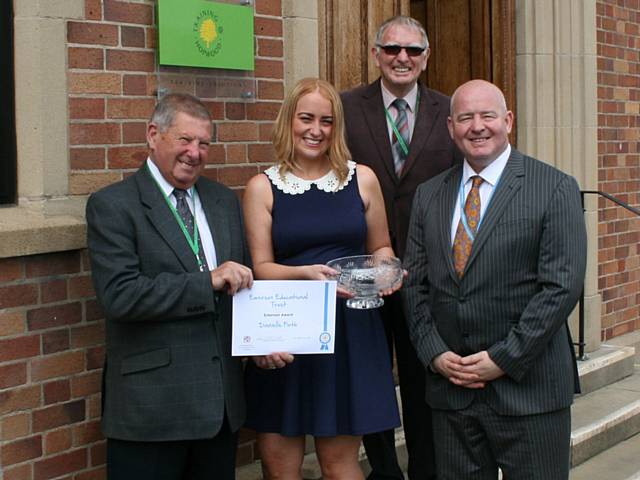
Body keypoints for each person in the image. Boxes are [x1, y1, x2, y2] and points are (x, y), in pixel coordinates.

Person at [403, 79, 587, 479]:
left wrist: (503, 359)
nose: (477, 126)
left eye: (487, 115)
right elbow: (415, 285)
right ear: (451, 127)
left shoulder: (554, 187)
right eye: (465, 117)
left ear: (508, 121)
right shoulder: (429, 195)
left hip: (529, 391)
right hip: (452, 393)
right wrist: (434, 352)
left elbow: (561, 287)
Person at [86, 93, 253, 480]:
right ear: (152, 135)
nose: (195, 153)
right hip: (152, 411)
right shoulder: (114, 206)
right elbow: (120, 296)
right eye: (184, 140)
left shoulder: (223, 201)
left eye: (204, 143)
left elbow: (242, 288)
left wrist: (261, 341)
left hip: (219, 409)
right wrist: (206, 281)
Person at [242, 77, 401, 480]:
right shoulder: (262, 187)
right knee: (280, 466)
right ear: (288, 121)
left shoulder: (361, 178)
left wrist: (384, 272)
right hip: (287, 330)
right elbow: (261, 267)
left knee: (339, 463)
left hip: (350, 331)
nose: (316, 130)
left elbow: (381, 246)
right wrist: (305, 275)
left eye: (326, 121)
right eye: (306, 118)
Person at [341, 15, 461, 480]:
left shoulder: (447, 111)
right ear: (376, 54)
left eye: (413, 51)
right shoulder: (347, 107)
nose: (402, 58)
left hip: (426, 272)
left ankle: (425, 469)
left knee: (421, 377)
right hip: (361, 269)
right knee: (369, 374)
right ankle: (384, 469)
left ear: (426, 58)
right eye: (392, 49)